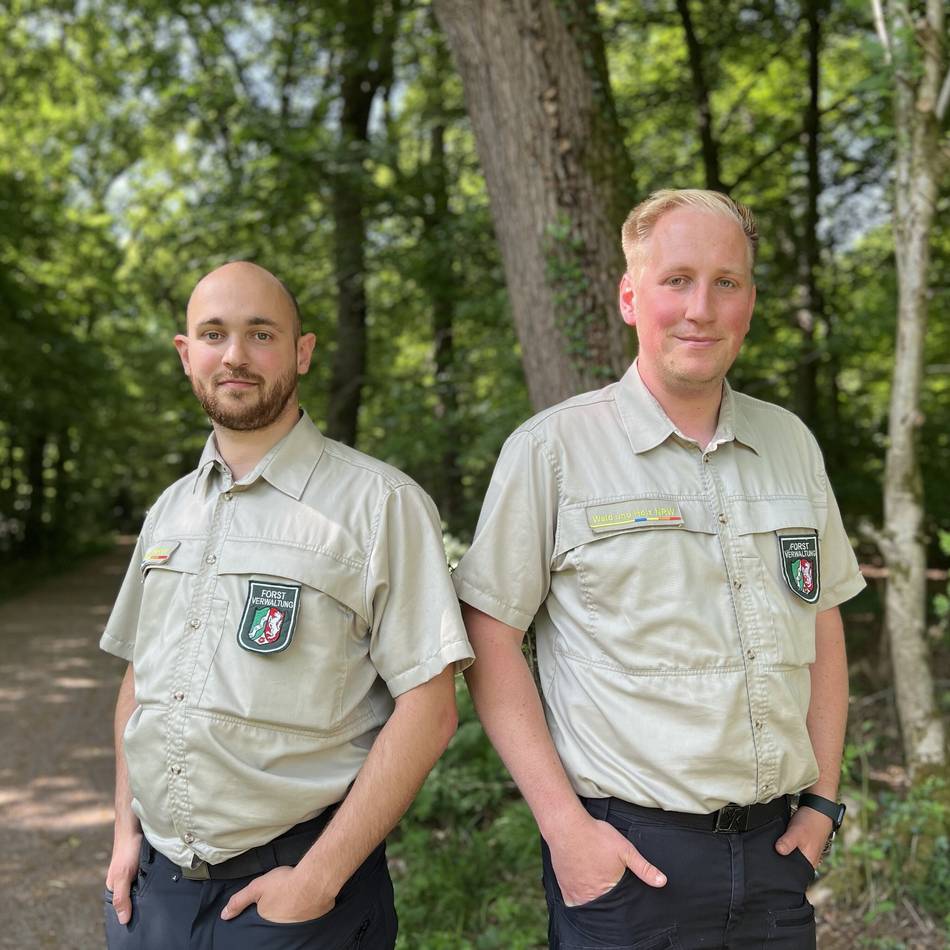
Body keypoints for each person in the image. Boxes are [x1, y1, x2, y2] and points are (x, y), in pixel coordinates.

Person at [452, 190, 864, 948]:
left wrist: (823, 802)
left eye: (726, 282)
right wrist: (564, 829)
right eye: (676, 280)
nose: (700, 308)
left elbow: (824, 621)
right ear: (630, 295)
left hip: (777, 858)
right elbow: (488, 636)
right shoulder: (554, 451)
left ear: (750, 300)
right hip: (631, 865)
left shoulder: (791, 445)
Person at [101, 261, 473, 949]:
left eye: (260, 334)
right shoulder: (169, 512)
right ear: (187, 354)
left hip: (296, 900)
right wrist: (125, 834)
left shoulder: (379, 506)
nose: (235, 355)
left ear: (301, 352)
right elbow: (139, 684)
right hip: (151, 896)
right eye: (213, 334)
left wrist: (318, 880)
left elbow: (430, 708)